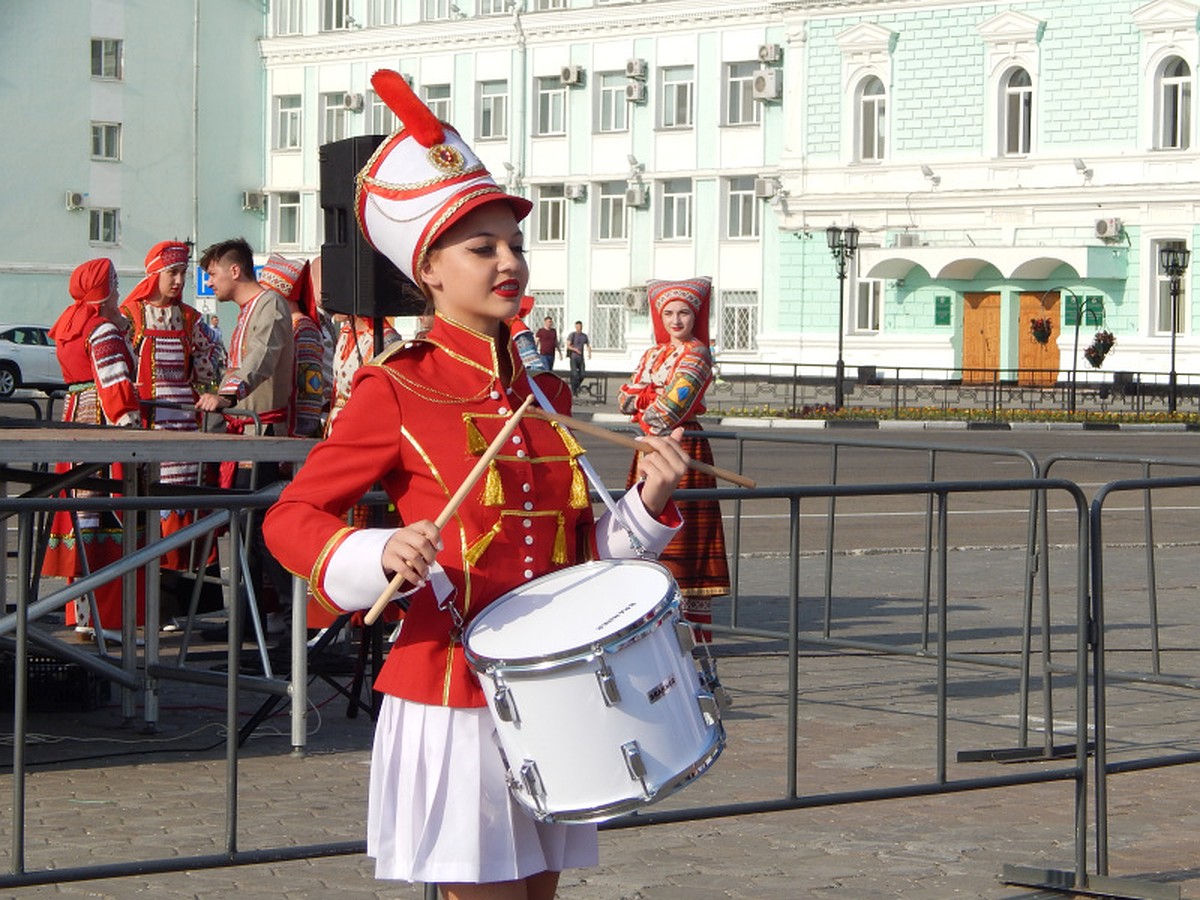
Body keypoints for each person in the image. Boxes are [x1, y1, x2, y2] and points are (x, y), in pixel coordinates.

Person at [262, 69, 690, 899]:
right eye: (482, 247)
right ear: (429, 268)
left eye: (515, 246)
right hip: (454, 689)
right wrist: (382, 549)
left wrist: (649, 502)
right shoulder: (397, 388)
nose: (509, 263)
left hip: (557, 692)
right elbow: (292, 517)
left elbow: (580, 554)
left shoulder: (543, 394)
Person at [617, 277, 730, 640]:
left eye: (683, 312)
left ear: (694, 317)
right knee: (642, 526)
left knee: (684, 532)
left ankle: (689, 632)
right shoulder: (653, 353)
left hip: (683, 448)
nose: (676, 320)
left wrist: (645, 396)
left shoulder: (697, 353)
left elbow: (667, 412)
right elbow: (622, 400)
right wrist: (648, 398)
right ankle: (646, 620)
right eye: (668, 313)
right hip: (648, 450)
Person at [195, 237, 296, 640]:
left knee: (261, 529)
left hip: (264, 430)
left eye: (213, 273)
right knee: (244, 531)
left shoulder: (269, 304)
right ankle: (248, 620)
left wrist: (227, 394)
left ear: (235, 271)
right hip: (246, 430)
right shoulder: (247, 310)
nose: (210, 281)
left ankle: (291, 619)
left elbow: (261, 356)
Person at [41, 259, 144, 638]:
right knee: (109, 516)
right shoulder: (101, 330)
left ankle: (82, 615)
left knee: (82, 517)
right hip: (101, 424)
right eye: (115, 286)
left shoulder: (70, 326)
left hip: (75, 422)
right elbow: (113, 380)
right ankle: (109, 618)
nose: (119, 292)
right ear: (103, 291)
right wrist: (128, 423)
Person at [120, 240, 226, 570]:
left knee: (183, 501)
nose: (179, 281)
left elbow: (212, 361)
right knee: (148, 500)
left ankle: (181, 596)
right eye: (173, 273)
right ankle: (152, 594)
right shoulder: (132, 314)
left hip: (183, 423)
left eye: (183, 273)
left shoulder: (189, 318)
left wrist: (205, 377)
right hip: (148, 424)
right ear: (155, 274)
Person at [258, 254, 332, 439]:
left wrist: (300, 433)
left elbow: (310, 388)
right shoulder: (285, 325)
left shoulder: (303, 328)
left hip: (296, 431)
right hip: (281, 424)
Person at [565, 320, 591, 395]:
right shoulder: (572, 335)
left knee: (582, 374)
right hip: (574, 357)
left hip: (581, 358)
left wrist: (589, 353)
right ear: (575, 327)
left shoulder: (584, 336)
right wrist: (575, 350)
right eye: (577, 326)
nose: (579, 328)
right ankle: (574, 390)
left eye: (580, 326)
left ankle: (575, 387)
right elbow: (568, 346)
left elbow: (588, 345)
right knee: (575, 375)